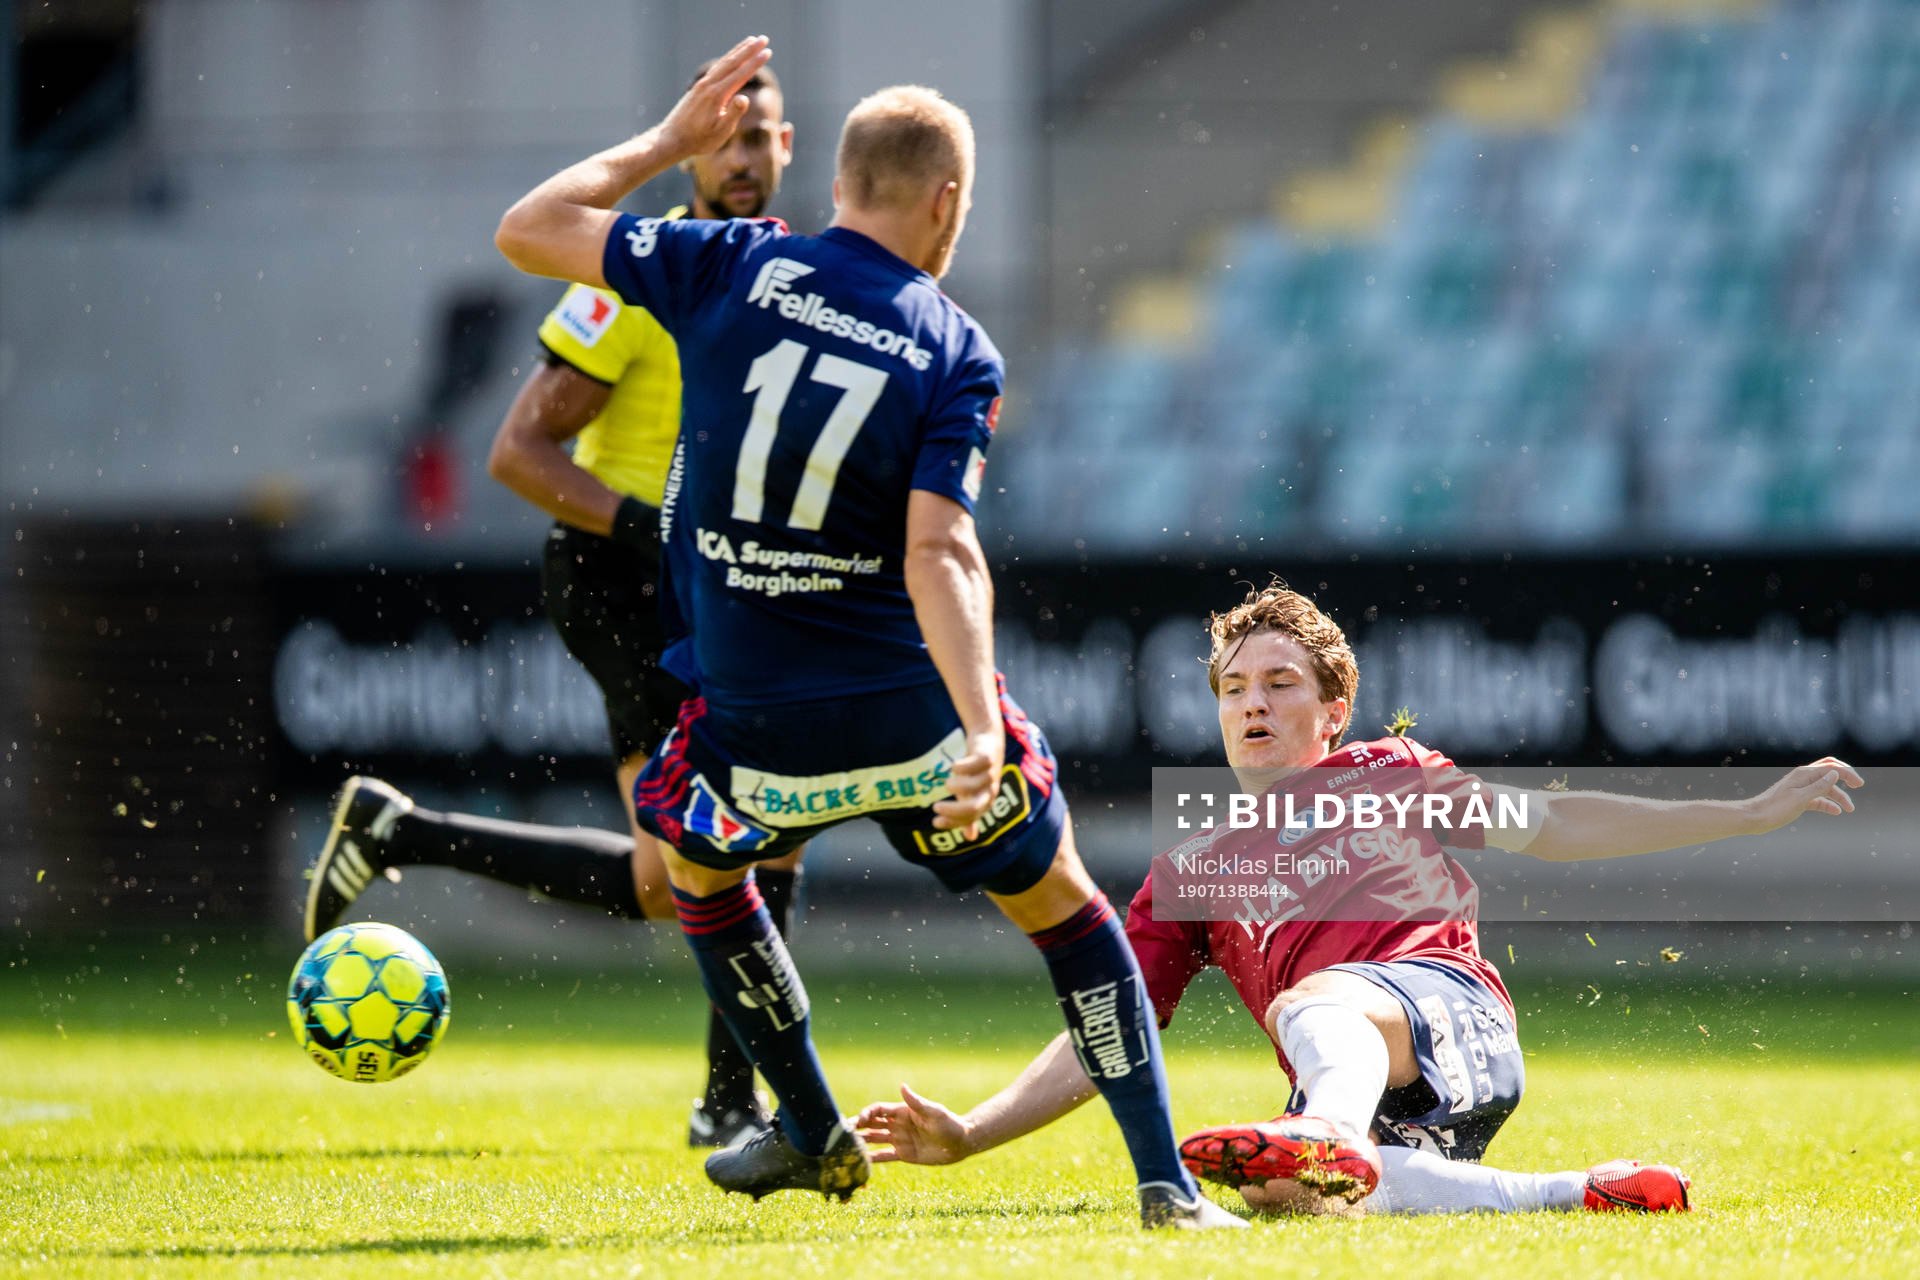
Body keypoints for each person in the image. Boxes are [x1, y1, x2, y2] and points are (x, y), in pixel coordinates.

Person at [490, 37, 1243, 1230]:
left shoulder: (727, 263)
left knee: (699, 869)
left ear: (836, 182)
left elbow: (528, 228)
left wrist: (667, 146)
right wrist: (982, 728)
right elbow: (940, 551)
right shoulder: (955, 347)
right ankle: (1164, 1182)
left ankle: (805, 1121)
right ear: (946, 201)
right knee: (1069, 909)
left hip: (755, 734)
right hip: (916, 731)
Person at [856, 579, 1865, 1218]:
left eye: (1280, 683)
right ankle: (1577, 1193)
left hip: (1451, 1020)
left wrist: (1744, 812)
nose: (1253, 702)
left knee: (1314, 1007)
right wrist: (972, 1132)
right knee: (1283, 1193)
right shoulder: (1192, 866)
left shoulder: (1389, 770)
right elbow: (1108, 1025)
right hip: (1367, 1087)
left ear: (1333, 711)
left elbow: (1555, 821)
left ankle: (1330, 1129)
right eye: (1234, 687)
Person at [304, 61, 801, 1150]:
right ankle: (734, 1100)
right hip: (622, 580)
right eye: (723, 136)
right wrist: (651, 526)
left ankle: (405, 830)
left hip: (716, 583)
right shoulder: (641, 273)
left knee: (687, 871)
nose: (742, 156)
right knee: (734, 839)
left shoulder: (787, 278)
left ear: (788, 147)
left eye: (759, 135)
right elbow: (517, 451)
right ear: (692, 148)